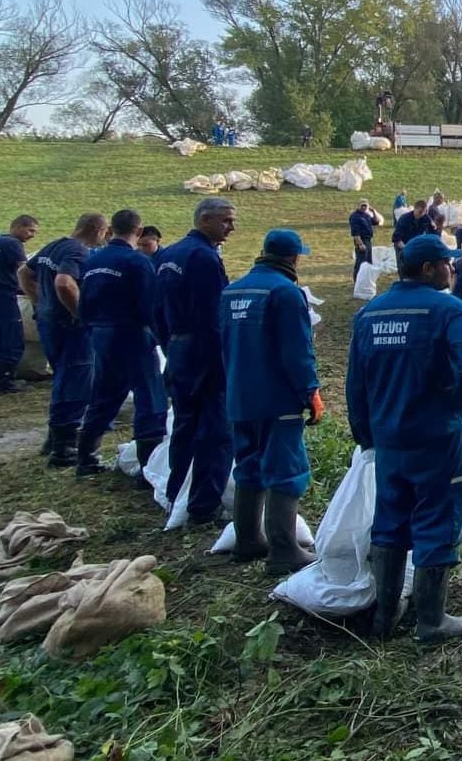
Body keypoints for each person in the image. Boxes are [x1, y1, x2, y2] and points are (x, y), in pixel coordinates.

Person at [350, 234, 462, 640]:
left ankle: (384, 614)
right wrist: (457, 396)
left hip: (388, 439)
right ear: (430, 268)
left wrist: (366, 434)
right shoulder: (448, 310)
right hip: (436, 438)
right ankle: (432, 621)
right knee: (437, 519)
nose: (453, 270)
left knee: (390, 519)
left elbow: (355, 384)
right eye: (447, 264)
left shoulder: (371, 314)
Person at [220, 229, 323, 574]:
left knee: (248, 466)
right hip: (276, 398)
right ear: (293, 258)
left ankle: (247, 540)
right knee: (285, 470)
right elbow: (297, 351)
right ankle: (283, 549)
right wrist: (310, 391)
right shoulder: (286, 293)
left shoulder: (232, 291)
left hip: (239, 394)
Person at [153, 198, 237, 524]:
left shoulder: (169, 254)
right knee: (216, 428)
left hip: (177, 347)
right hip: (204, 350)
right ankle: (204, 504)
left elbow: (156, 308)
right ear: (205, 219)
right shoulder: (203, 257)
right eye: (226, 220)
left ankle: (177, 491)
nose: (232, 227)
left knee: (185, 424)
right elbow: (213, 315)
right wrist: (222, 359)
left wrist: (170, 343)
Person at [74, 210, 168, 479]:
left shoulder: (93, 260)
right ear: (138, 232)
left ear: (110, 229)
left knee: (104, 393)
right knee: (149, 395)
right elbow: (150, 306)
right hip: (131, 334)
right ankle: (148, 469)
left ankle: (86, 457)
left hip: (100, 334)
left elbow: (83, 302)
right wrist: (162, 339)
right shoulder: (137, 262)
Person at [20, 214, 102, 467]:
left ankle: (53, 439)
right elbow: (65, 282)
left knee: (62, 379)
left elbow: (24, 272)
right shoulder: (78, 251)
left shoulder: (54, 245)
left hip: (48, 323)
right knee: (76, 381)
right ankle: (64, 449)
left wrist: (40, 301)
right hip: (70, 327)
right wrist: (80, 313)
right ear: (98, 230)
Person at [0, 216, 38, 394]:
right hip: (1, 296)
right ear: (18, 227)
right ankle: (7, 380)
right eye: (30, 230)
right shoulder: (12, 244)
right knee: (11, 337)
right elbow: (24, 272)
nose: (32, 235)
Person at [350, 200, 383, 281]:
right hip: (361, 241)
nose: (364, 207)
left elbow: (376, 222)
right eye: (362, 205)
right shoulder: (355, 216)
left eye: (366, 205)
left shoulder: (366, 215)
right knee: (361, 262)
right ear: (358, 206)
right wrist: (360, 244)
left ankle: (365, 280)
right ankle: (357, 280)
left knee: (368, 261)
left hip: (368, 241)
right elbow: (355, 233)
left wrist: (373, 211)